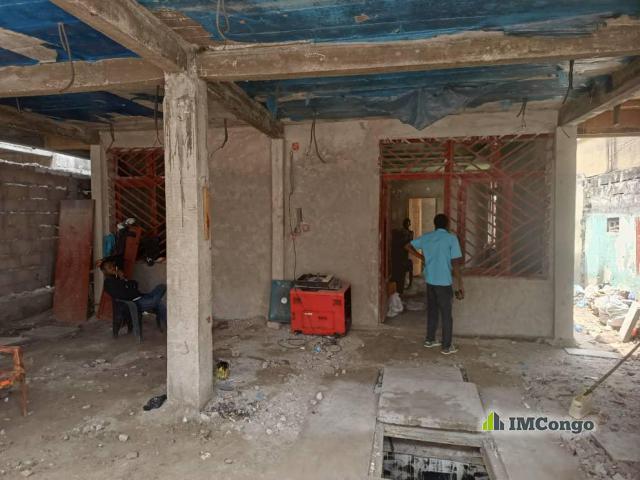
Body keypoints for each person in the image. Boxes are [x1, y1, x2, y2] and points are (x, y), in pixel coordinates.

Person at [405, 213, 464, 355]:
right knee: (446, 315)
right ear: (447, 225)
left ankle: (430, 339)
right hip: (444, 282)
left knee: (432, 311)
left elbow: (407, 246)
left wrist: (422, 257)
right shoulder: (451, 239)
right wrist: (460, 284)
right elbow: (455, 264)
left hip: (430, 281)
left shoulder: (427, 237)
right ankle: (446, 346)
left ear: (435, 224)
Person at [99, 258, 167, 330]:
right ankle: (154, 300)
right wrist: (126, 282)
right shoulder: (109, 283)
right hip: (135, 303)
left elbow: (134, 284)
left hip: (140, 297)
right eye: (109, 267)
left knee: (162, 287)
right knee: (158, 302)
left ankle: (154, 300)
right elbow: (124, 295)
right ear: (104, 271)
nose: (113, 268)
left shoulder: (117, 278)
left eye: (113, 266)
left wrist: (125, 281)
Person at [391, 218, 414, 295]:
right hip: (399, 255)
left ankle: (407, 285)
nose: (407, 224)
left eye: (408, 223)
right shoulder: (400, 232)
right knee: (400, 273)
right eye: (406, 223)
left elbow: (410, 242)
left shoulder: (410, 233)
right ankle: (400, 289)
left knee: (405, 271)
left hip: (405, 254)